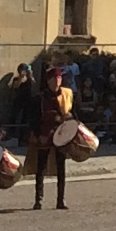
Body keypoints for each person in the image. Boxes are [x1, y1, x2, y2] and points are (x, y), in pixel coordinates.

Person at [30, 65, 73, 211]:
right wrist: (38, 135)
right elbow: (33, 119)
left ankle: (61, 200)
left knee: (61, 168)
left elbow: (74, 114)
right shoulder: (39, 98)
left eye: (59, 78)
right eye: (54, 78)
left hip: (61, 134)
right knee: (40, 168)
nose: (57, 81)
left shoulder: (67, 95)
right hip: (45, 134)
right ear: (48, 81)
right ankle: (38, 200)